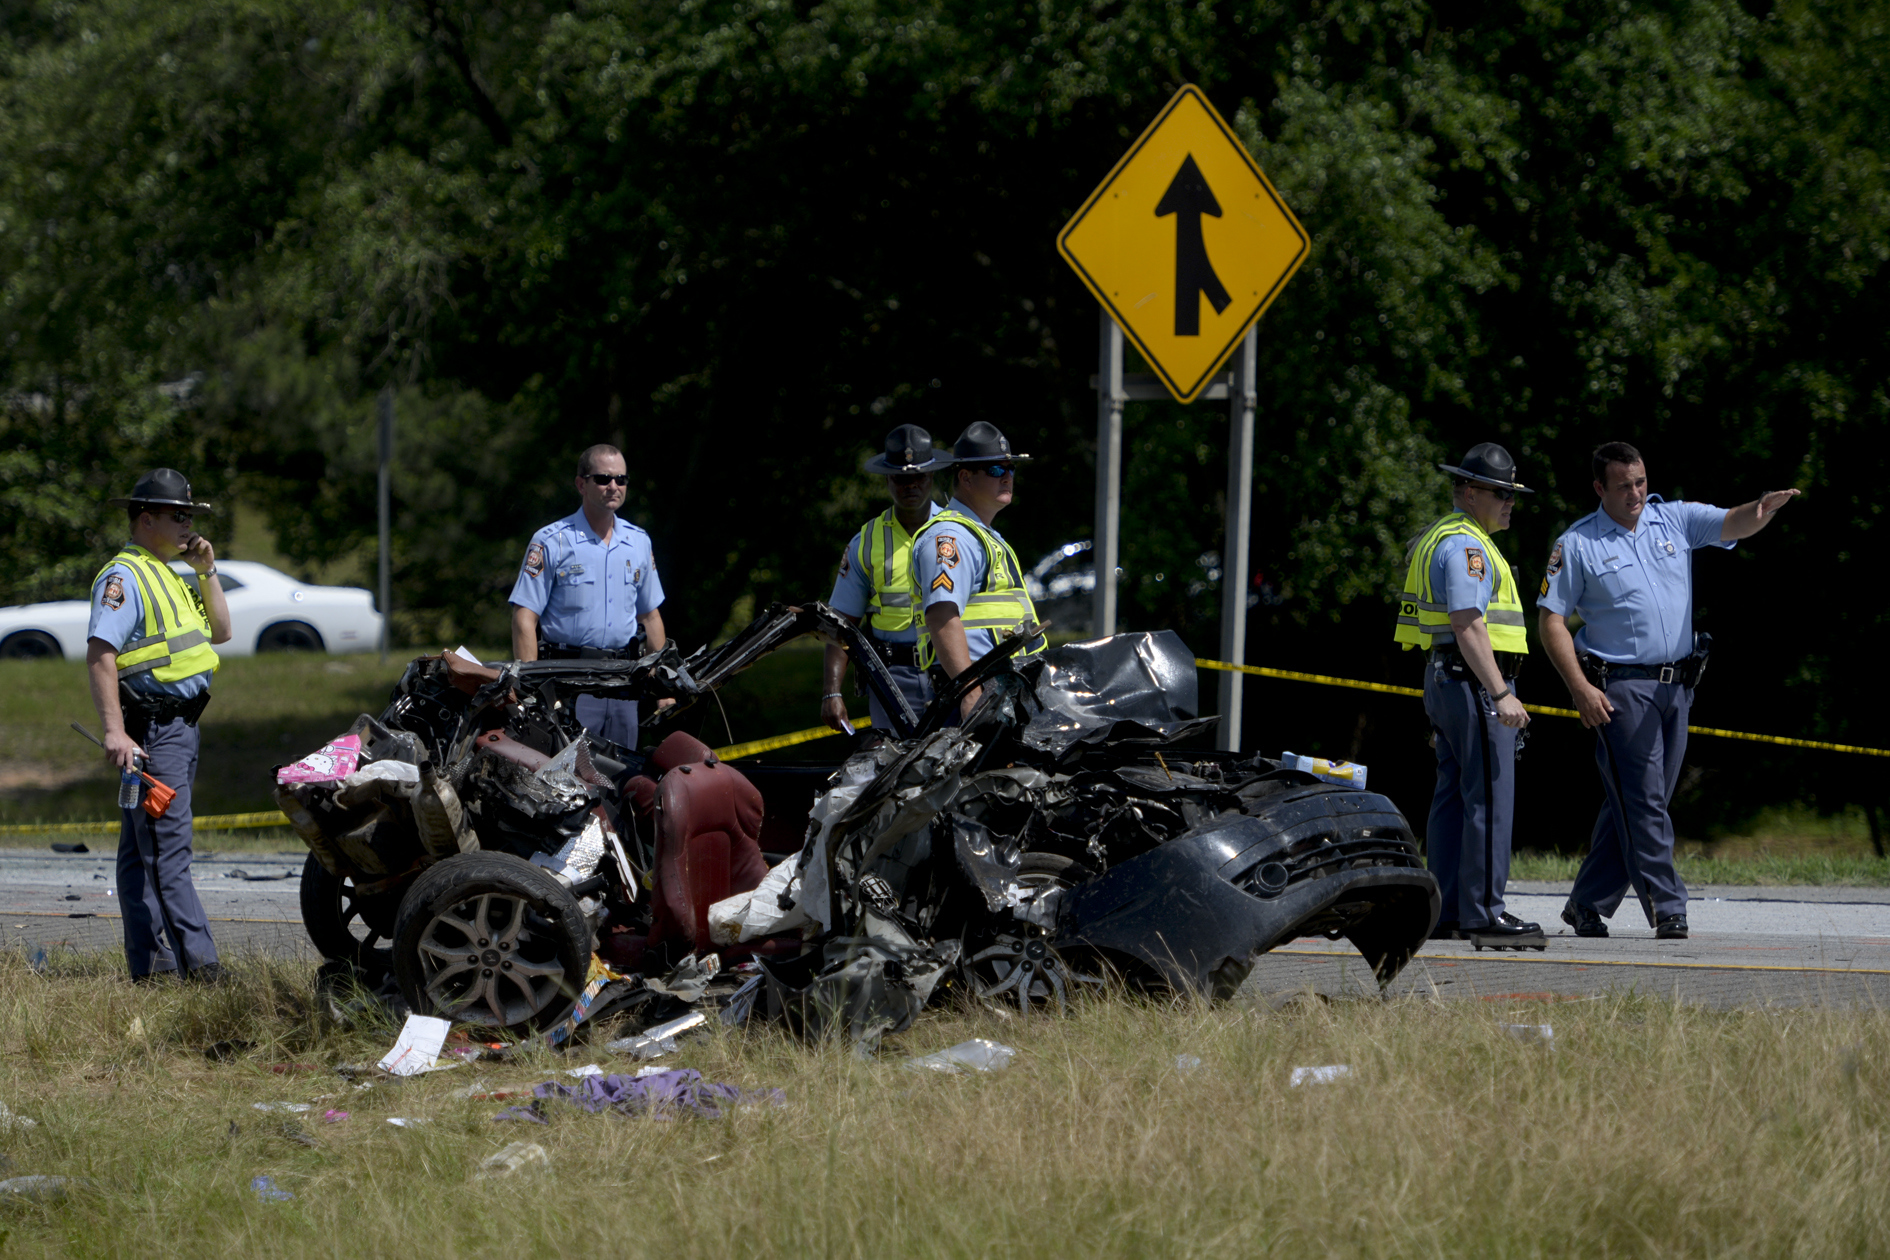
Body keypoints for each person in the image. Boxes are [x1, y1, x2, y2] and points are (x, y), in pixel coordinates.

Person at [1538, 441, 1799, 940]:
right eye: (1623, 485)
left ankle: (1587, 902)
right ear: (1599, 488)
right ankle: (1668, 905)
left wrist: (1760, 509)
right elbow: (1551, 620)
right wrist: (1579, 689)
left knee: (1640, 802)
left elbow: (1731, 522)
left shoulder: (1672, 519)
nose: (1636, 493)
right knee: (1645, 803)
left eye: (1640, 481)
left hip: (1677, 687)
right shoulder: (1578, 543)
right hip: (1622, 689)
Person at [1393, 443, 1544, 950]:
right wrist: (1500, 692)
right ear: (1471, 491)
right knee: (1490, 799)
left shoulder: (1446, 535)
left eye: (1513, 494)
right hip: (1475, 681)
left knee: (1453, 797)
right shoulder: (1467, 546)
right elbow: (1467, 621)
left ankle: (1451, 911)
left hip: (1449, 679)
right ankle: (1484, 914)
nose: (1510, 503)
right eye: (1501, 493)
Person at [87, 468, 232, 983]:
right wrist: (114, 731)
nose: (188, 524)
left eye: (191, 515)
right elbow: (101, 654)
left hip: (181, 731)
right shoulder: (124, 577)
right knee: (168, 855)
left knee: (138, 854)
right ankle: (203, 970)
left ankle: (153, 969)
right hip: (150, 734)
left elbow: (222, 631)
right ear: (146, 519)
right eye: (179, 515)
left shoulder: (169, 571)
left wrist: (207, 571)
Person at [510, 444, 668, 750]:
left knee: (623, 782)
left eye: (621, 480)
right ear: (581, 484)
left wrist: (661, 684)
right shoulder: (551, 541)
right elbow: (524, 616)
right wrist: (530, 689)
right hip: (568, 687)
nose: (613, 487)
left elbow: (650, 617)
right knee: (567, 785)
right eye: (603, 478)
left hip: (623, 687)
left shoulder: (638, 542)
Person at [910, 421, 1046, 721]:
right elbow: (942, 615)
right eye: (996, 470)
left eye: (1011, 469)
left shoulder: (980, 534)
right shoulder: (950, 538)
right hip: (974, 694)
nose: (1007, 477)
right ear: (966, 478)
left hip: (999, 688)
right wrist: (970, 693)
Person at [820, 425, 945, 737]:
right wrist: (831, 692)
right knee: (896, 772)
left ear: (931, 476)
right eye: (901, 478)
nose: (911, 485)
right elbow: (840, 624)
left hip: (952, 670)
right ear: (888, 479)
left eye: (919, 476)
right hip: (891, 678)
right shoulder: (866, 541)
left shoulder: (958, 532)